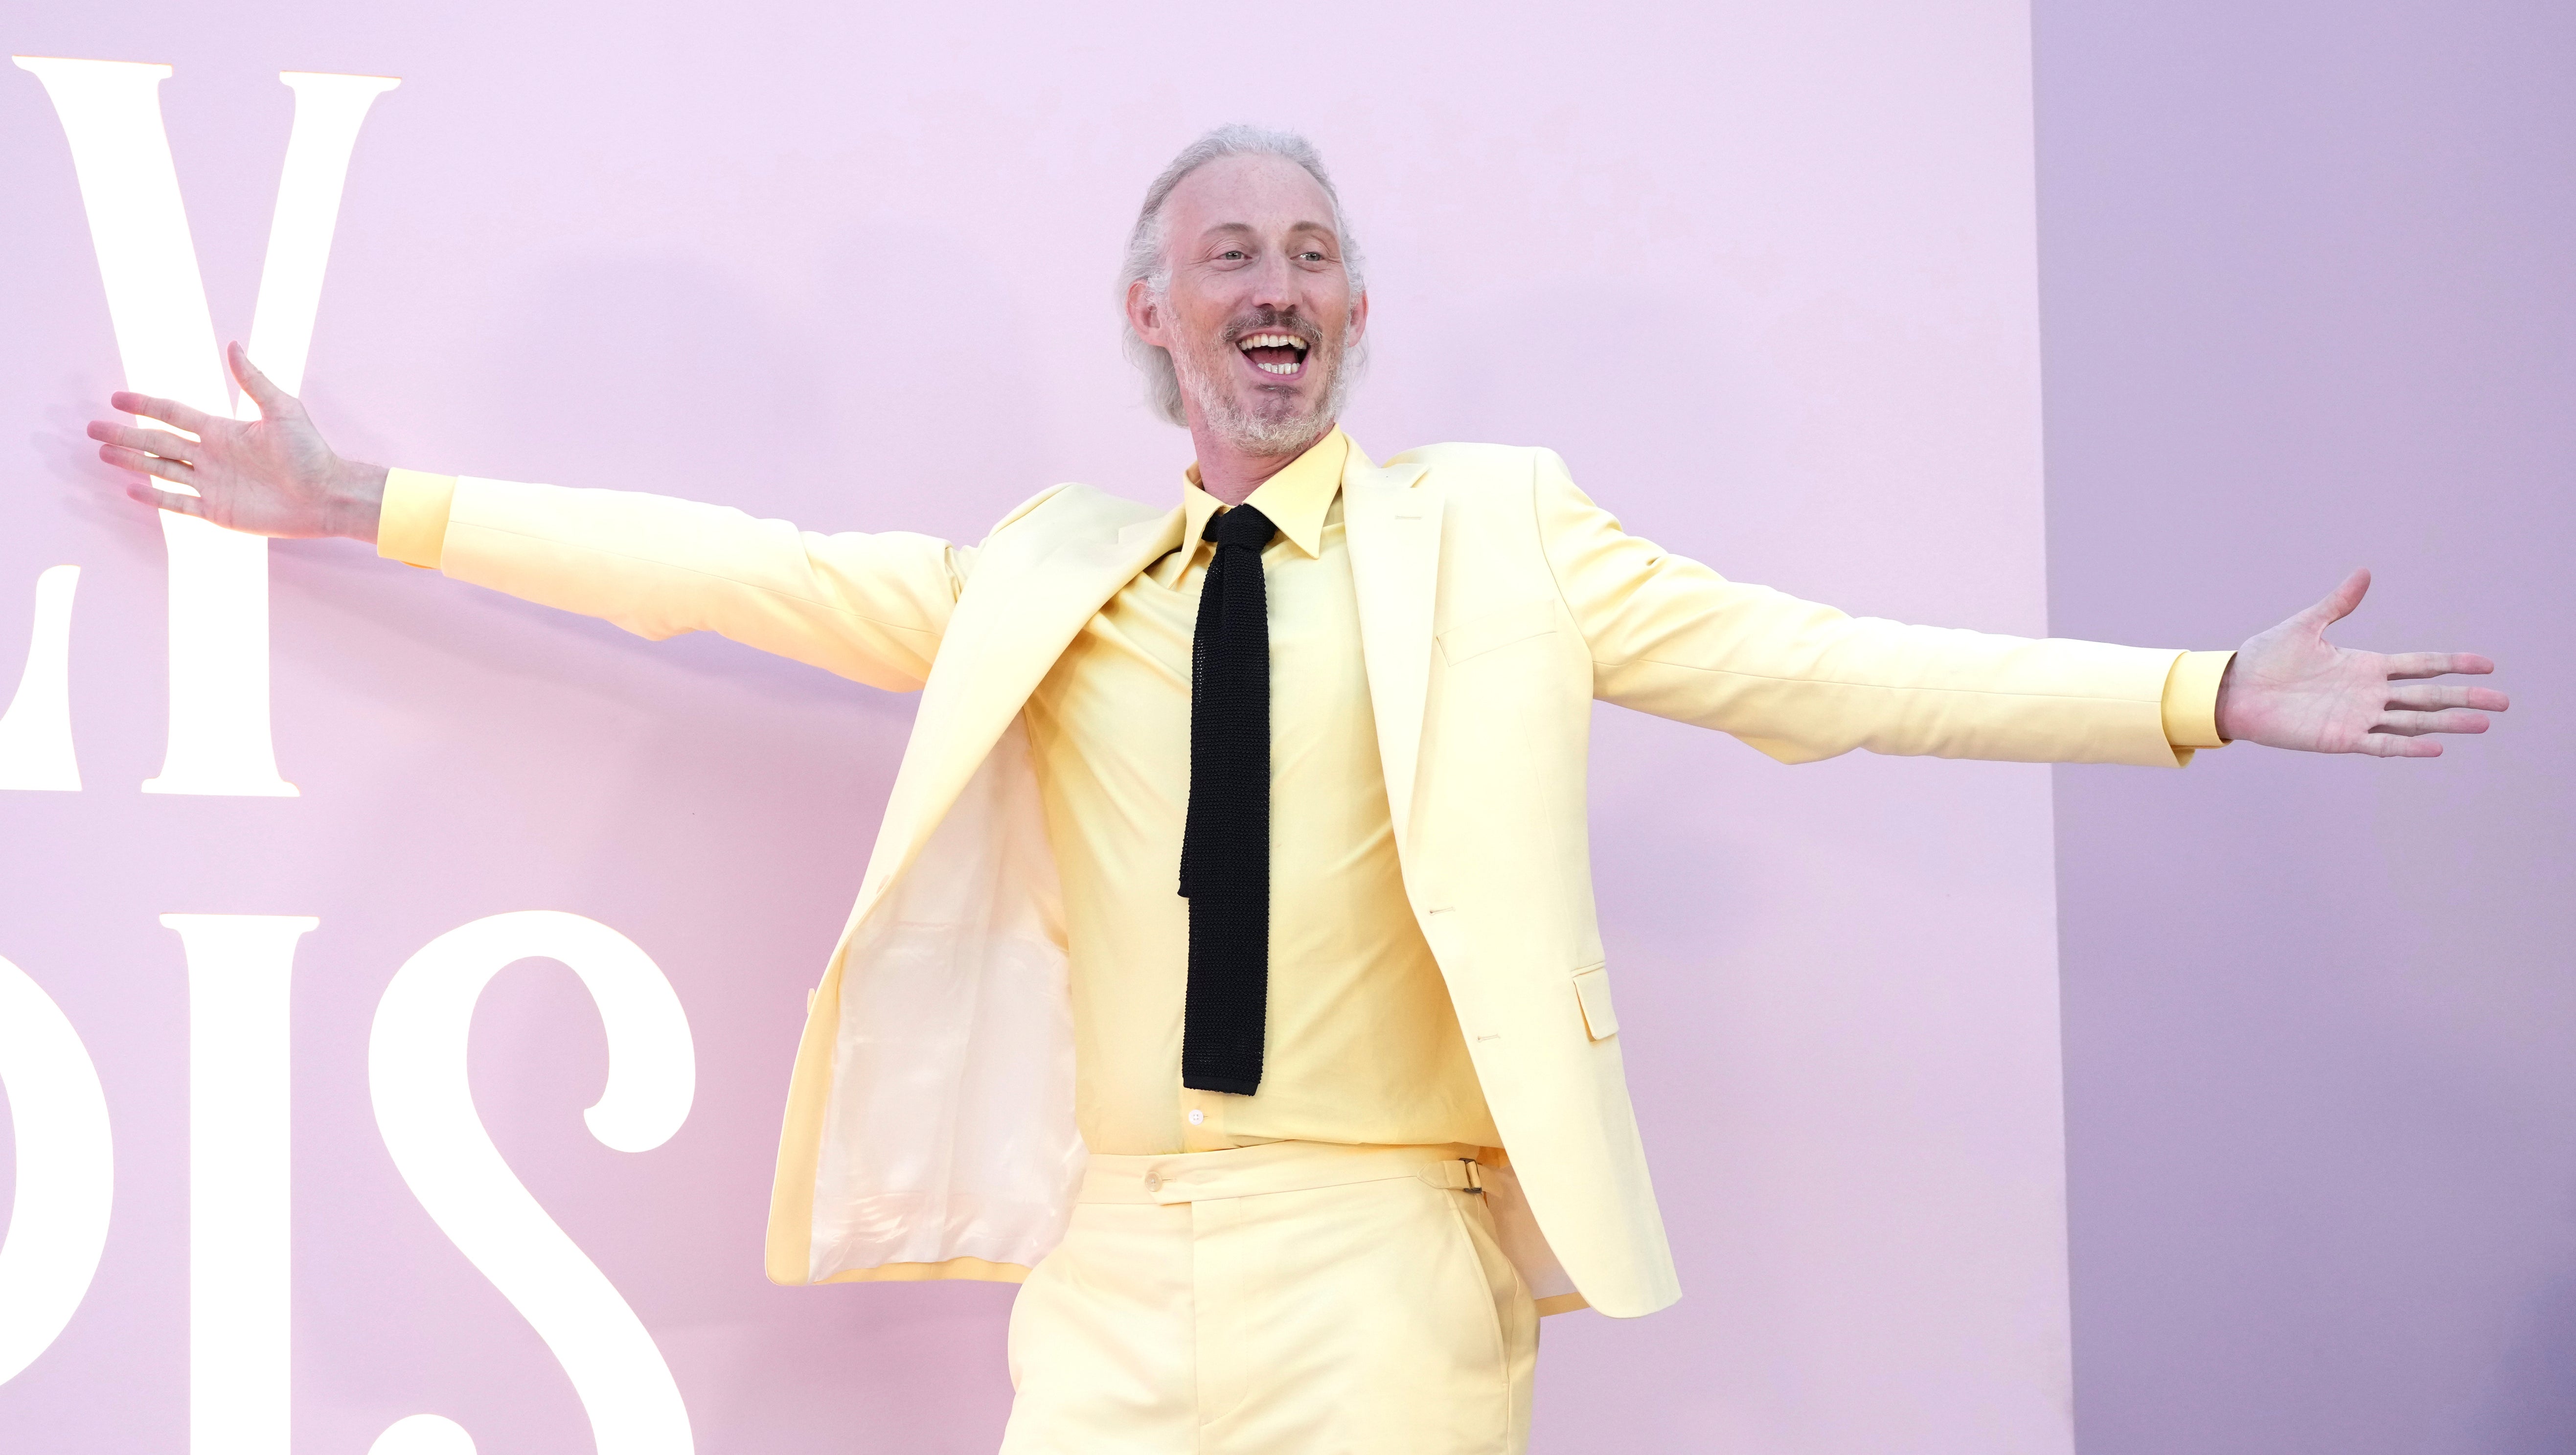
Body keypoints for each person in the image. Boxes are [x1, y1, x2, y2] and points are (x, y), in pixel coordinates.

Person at [85, 125, 2505, 1455]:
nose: (1280, 280)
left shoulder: (1505, 539)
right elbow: (734, 571)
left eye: (1317, 253)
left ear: (1356, 315)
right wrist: (371, 501)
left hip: (1389, 1257)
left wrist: (2197, 690)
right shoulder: (1050, 576)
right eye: (1230, 250)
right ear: (1150, 316)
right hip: (1116, 1259)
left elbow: (1834, 670)